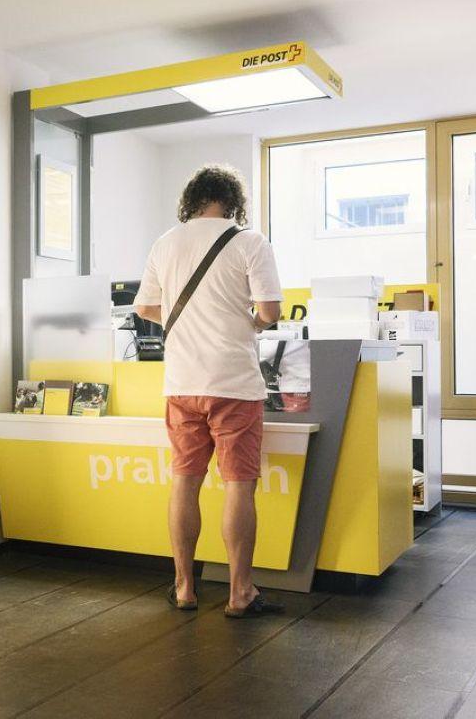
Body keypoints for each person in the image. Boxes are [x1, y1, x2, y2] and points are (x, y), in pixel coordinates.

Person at [135, 164, 284, 618]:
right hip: (234, 383)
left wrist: (187, 324)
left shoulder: (165, 242)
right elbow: (271, 312)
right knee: (238, 485)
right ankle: (240, 593)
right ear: (233, 201)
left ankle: (184, 587)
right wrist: (248, 322)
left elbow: (145, 307)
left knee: (185, 481)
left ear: (193, 199)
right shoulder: (250, 242)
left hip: (182, 383)